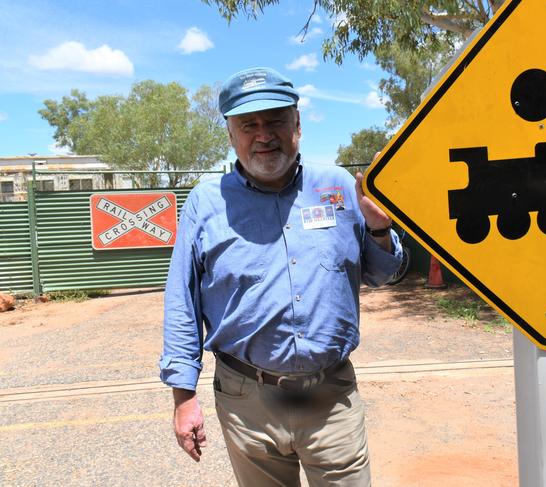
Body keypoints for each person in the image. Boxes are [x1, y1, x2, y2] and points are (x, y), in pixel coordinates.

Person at [160, 67, 403, 487]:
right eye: (248, 124)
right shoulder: (205, 203)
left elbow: (384, 276)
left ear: (297, 125)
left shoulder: (340, 186)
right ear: (231, 134)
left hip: (332, 397)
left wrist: (380, 232)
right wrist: (184, 397)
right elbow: (183, 302)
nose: (263, 134)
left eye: (275, 120)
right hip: (246, 401)